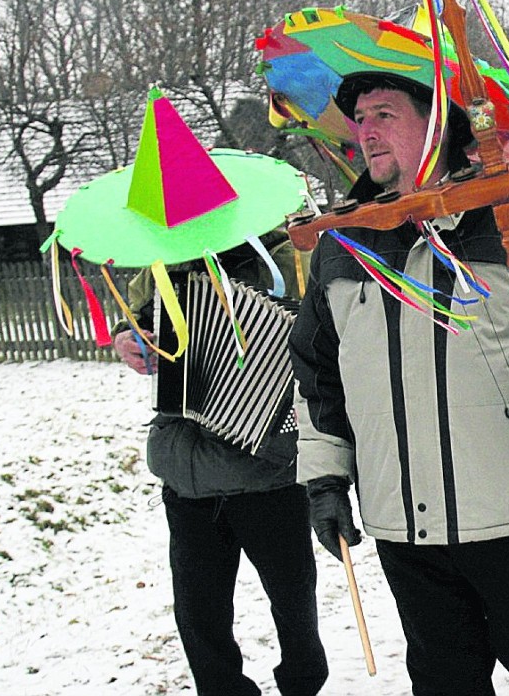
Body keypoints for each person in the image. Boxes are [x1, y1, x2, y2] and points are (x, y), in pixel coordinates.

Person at [289, 73, 509, 696]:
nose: (364, 130)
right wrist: (326, 479)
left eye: (383, 113)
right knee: (444, 684)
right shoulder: (343, 243)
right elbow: (318, 379)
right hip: (401, 526)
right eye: (359, 117)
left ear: (436, 123)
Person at [113, 232, 328, 696]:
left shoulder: (284, 261)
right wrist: (127, 338)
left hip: (268, 474)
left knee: (294, 606)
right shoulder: (163, 266)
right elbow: (138, 321)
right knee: (198, 616)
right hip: (186, 477)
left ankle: (303, 687)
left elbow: (319, 342)